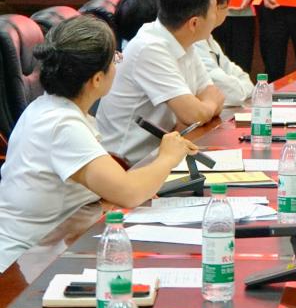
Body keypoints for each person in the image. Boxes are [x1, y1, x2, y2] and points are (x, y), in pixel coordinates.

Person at [0, 16, 197, 271]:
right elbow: (129, 192)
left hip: (50, 249)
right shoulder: (62, 125)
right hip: (24, 268)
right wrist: (168, 156)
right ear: (96, 79)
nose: (117, 63)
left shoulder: (49, 107)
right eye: (114, 59)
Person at [96, 0, 225, 165]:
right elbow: (194, 114)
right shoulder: (149, 48)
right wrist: (207, 107)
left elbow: (213, 93)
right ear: (194, 23)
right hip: (125, 165)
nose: (217, 16)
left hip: (158, 155)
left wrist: (203, 107)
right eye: (214, 11)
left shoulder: (184, 40)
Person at [195, 0, 253, 106]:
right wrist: (241, 87)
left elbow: (241, 76)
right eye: (226, 7)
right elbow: (233, 95)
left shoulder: (208, 38)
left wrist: (241, 87)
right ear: (214, 8)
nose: (227, 12)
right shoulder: (194, 42)